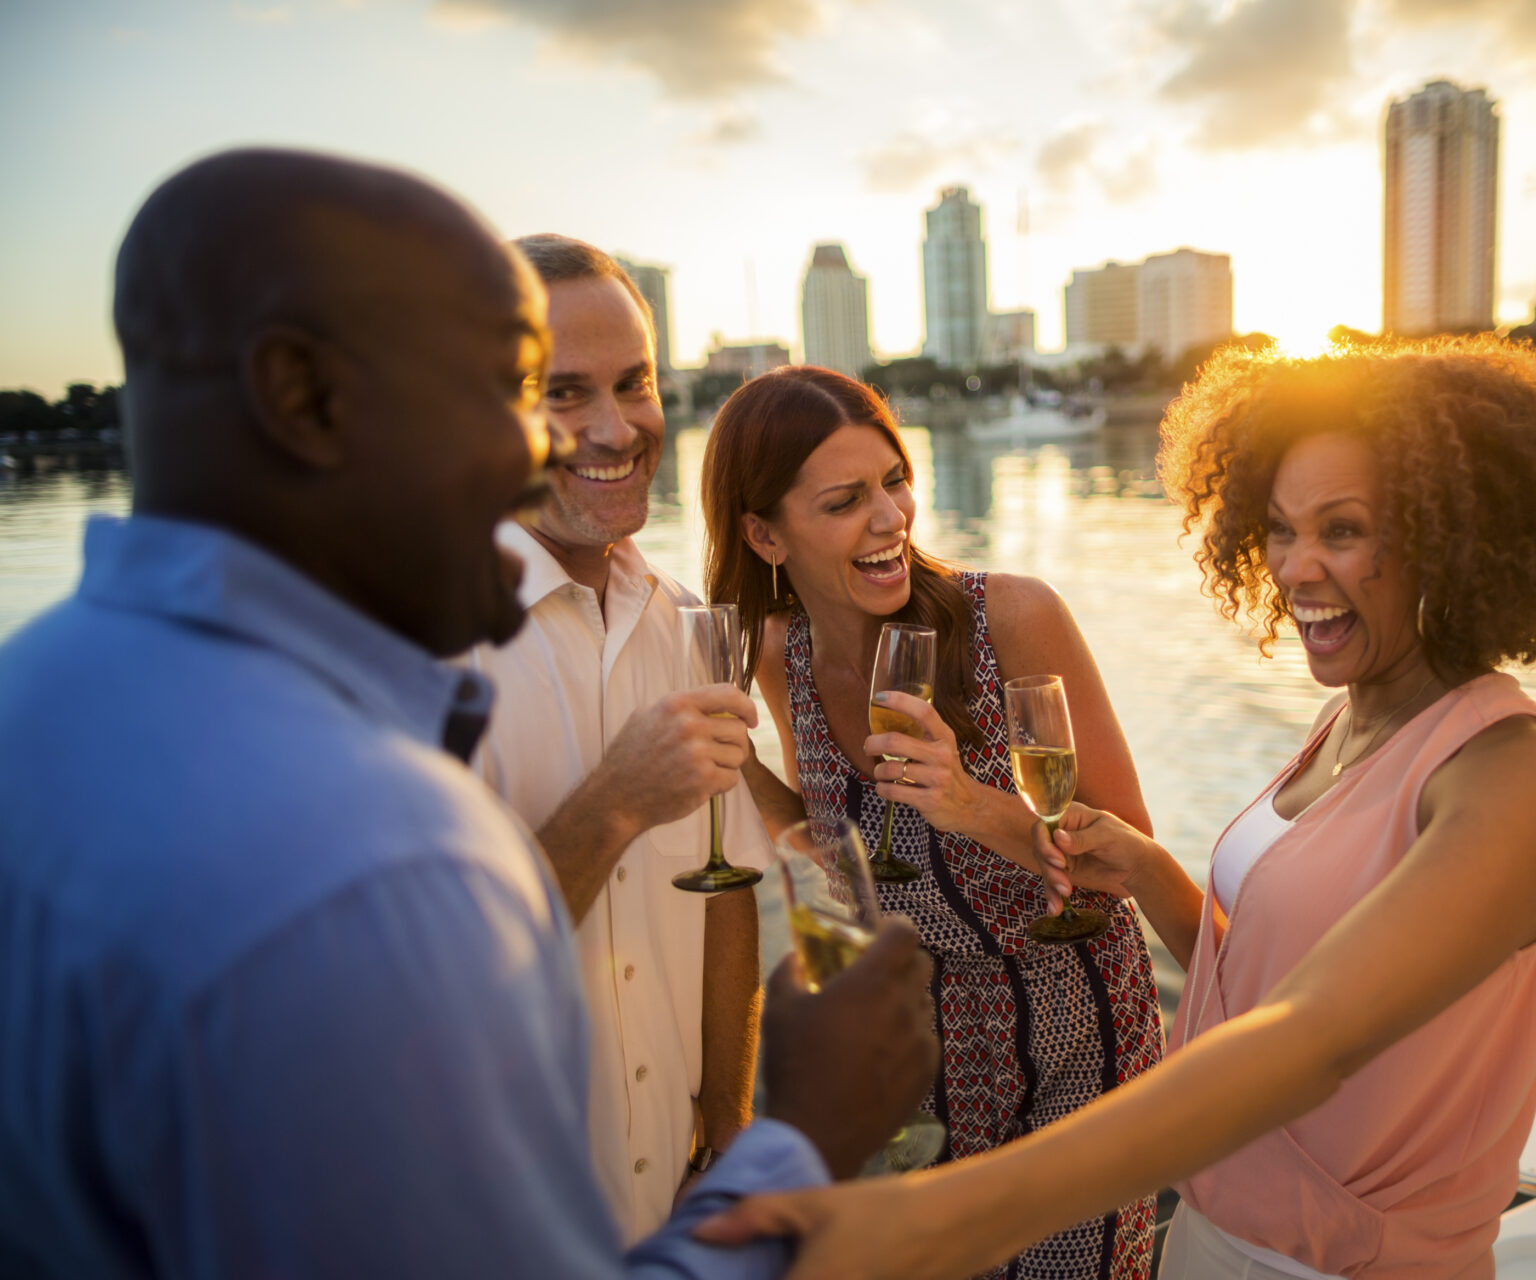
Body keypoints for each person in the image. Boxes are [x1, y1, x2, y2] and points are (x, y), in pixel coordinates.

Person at [0, 148, 937, 1279]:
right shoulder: (372, 845)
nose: (558, 443)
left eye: (629, 383)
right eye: (515, 387)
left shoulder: (41, 690)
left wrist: (726, 1128)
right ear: (300, 395)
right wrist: (805, 1140)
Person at [694, 338, 1536, 1280]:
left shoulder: (1523, 773)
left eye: (1344, 529)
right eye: (1278, 527)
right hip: (1212, 1212)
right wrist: (1141, 867)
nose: (1298, 568)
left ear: (1454, 533)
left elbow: (1309, 1040)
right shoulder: (1342, 728)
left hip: (1337, 1247)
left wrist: (941, 1216)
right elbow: (1235, 970)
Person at [701, 365, 1165, 1279]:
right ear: (764, 533)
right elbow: (843, 852)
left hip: (1074, 1042)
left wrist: (969, 803)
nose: (891, 519)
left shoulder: (1013, 618)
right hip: (920, 1065)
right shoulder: (773, 656)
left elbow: (1130, 858)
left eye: (894, 481)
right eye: (845, 501)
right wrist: (743, 776)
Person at [461, 233, 767, 1243]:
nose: (616, 427)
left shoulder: (690, 623)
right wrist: (617, 801)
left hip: (677, 1207)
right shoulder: (425, 648)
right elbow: (431, 987)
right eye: (563, 393)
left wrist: (726, 1134)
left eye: (634, 381)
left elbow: (730, 901)